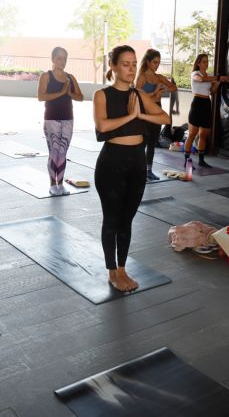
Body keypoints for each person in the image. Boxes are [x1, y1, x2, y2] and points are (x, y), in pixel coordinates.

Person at [93, 45, 170, 292]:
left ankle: (123, 269)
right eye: (125, 64)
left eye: (134, 63)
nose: (131, 68)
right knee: (112, 219)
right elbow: (103, 126)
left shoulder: (138, 95)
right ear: (113, 67)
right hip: (112, 163)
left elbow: (165, 118)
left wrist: (141, 115)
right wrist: (130, 116)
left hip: (136, 162)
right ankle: (112, 271)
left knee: (127, 220)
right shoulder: (102, 95)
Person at [37, 47, 84, 195]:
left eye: (64, 58)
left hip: (68, 119)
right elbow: (41, 96)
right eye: (59, 58)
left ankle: (61, 185)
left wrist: (69, 92)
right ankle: (52, 184)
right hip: (51, 119)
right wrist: (61, 92)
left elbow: (80, 97)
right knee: (54, 152)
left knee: (63, 152)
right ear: (52, 59)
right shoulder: (46, 76)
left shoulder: (70, 77)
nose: (62, 61)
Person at [136, 48, 177, 181]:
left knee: (152, 143)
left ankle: (149, 170)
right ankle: (139, 170)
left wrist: (164, 88)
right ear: (148, 62)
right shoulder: (142, 77)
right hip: (145, 111)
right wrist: (154, 93)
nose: (157, 65)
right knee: (142, 142)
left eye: (158, 62)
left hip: (157, 110)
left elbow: (174, 87)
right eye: (154, 62)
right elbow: (136, 96)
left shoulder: (159, 77)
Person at [184, 54, 229, 168]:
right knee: (192, 134)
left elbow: (212, 91)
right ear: (198, 63)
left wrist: (218, 82)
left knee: (203, 135)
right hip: (197, 104)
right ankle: (187, 160)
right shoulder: (195, 74)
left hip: (206, 104)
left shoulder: (210, 76)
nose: (206, 63)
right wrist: (218, 78)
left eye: (207, 61)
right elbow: (201, 79)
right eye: (203, 61)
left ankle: (201, 160)